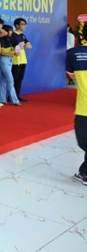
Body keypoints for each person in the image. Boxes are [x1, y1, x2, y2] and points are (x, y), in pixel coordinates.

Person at [66, 20, 87, 186]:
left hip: (84, 108)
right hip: (83, 107)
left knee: (83, 141)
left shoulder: (74, 53)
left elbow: (71, 74)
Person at [0, 25, 20, 106]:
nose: (11, 32)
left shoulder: (10, 40)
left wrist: (18, 50)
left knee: (4, 80)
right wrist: (13, 54)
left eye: (11, 30)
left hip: (9, 60)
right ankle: (15, 100)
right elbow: (2, 52)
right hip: (4, 60)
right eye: (10, 30)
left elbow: (18, 45)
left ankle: (1, 99)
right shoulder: (1, 40)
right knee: (10, 80)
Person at [11, 18, 32, 102]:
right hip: (16, 60)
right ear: (17, 25)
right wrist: (23, 45)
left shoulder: (22, 35)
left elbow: (29, 46)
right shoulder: (13, 35)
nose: (24, 26)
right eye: (22, 24)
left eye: (25, 24)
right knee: (14, 79)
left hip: (23, 60)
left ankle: (17, 95)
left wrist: (23, 45)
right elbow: (17, 46)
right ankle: (12, 97)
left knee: (20, 79)